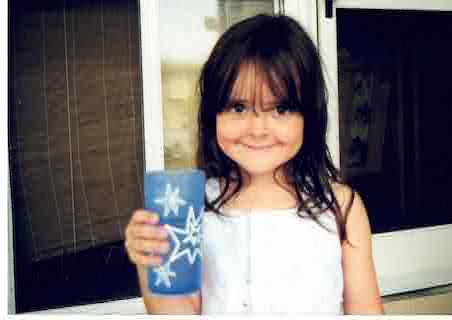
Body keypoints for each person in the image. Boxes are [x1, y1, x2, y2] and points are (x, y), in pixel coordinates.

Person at [124, 14, 383, 315]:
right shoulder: (195, 208)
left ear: (309, 116)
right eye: (238, 107)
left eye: (281, 108)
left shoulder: (341, 208)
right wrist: (149, 263)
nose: (258, 129)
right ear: (213, 115)